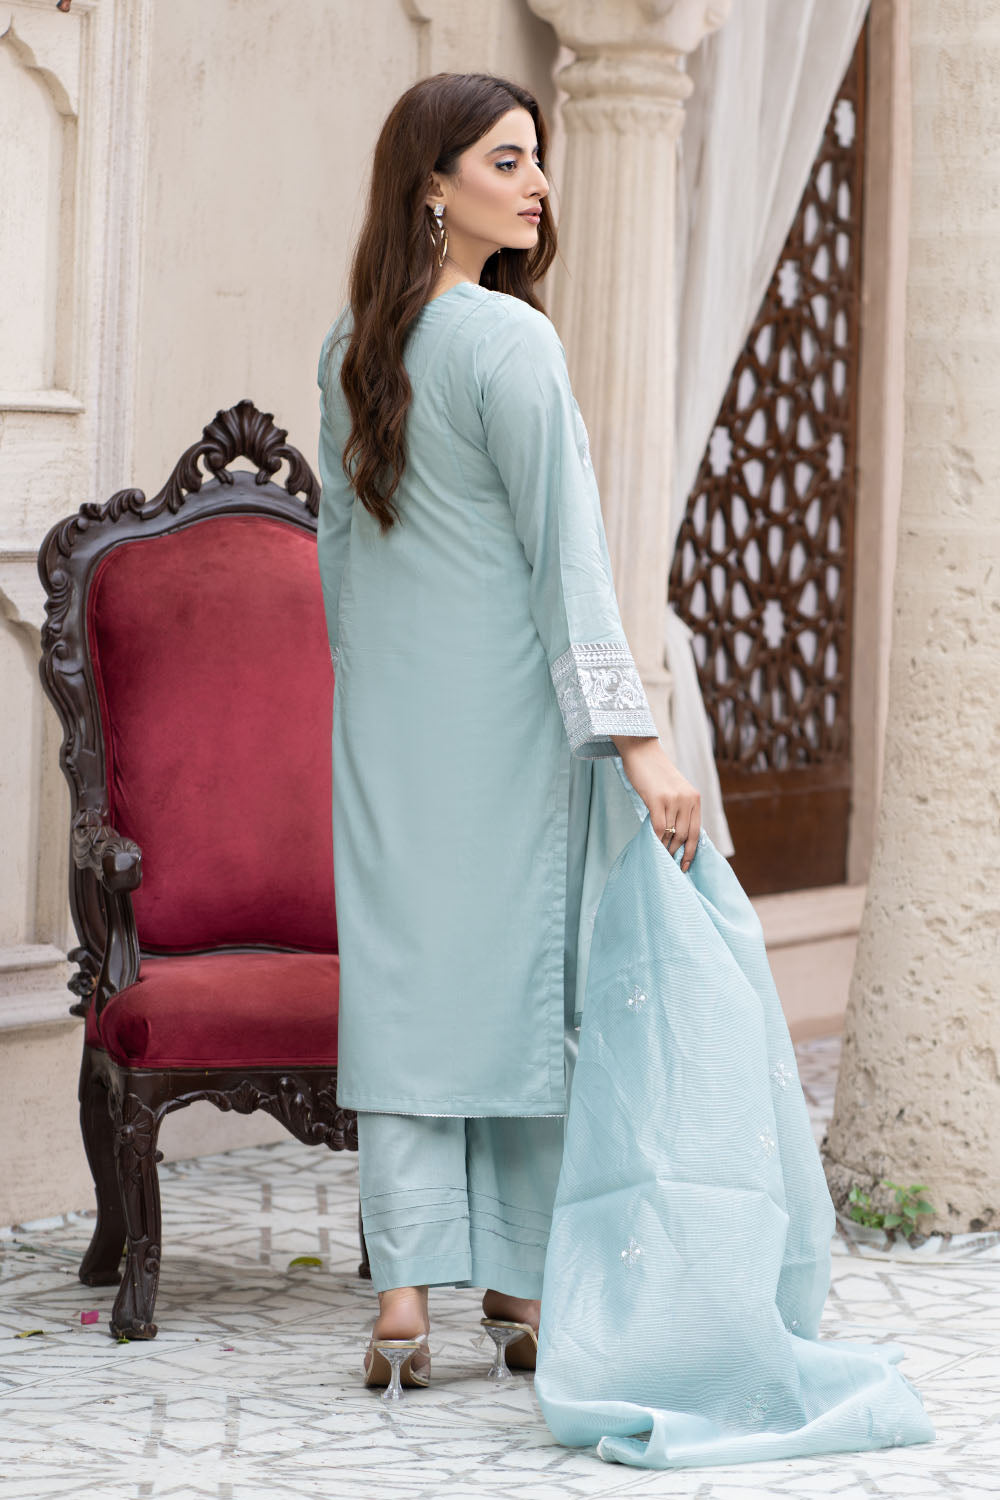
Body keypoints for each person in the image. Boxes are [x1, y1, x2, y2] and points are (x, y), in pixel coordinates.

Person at [317, 71, 935, 1465]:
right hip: (514, 730)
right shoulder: (511, 343)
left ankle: (404, 1300)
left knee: (410, 989)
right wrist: (641, 741)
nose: (537, 184)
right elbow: (570, 563)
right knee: (525, 993)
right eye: (507, 159)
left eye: (536, 159)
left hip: (387, 731)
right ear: (433, 185)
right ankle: (522, 1289)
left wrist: (369, 713)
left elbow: (340, 564)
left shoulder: (351, 343)